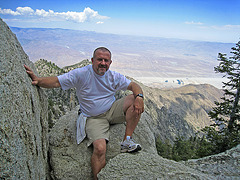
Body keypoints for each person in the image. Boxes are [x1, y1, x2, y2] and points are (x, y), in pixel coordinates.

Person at [24, 47, 144, 180]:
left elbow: (134, 86)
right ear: (92, 60)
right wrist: (38, 81)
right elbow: (57, 81)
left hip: (112, 109)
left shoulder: (113, 76)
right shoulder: (81, 74)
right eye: (99, 59)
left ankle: (127, 141)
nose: (103, 63)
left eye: (106, 60)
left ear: (110, 63)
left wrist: (139, 97)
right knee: (99, 149)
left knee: (135, 99)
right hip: (94, 117)